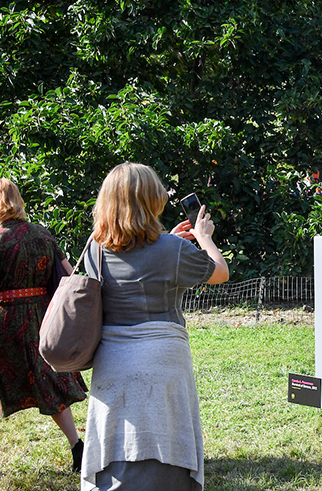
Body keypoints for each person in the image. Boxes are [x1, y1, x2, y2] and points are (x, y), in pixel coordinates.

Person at [80, 163, 229, 491]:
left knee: (114, 442)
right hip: (164, 358)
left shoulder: (94, 248)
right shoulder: (173, 249)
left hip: (112, 359)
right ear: (153, 200)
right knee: (168, 444)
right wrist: (203, 238)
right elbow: (220, 272)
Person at [0, 178, 88, 478]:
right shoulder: (44, 235)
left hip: (6, 324)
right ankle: (78, 449)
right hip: (41, 319)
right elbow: (70, 275)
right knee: (47, 380)